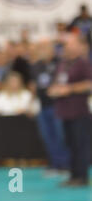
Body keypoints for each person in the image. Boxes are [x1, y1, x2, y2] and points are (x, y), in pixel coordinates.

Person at [48, 33, 92, 187]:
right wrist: (54, 89)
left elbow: (89, 84)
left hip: (79, 111)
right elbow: (56, 81)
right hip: (64, 111)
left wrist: (70, 89)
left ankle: (81, 176)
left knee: (80, 145)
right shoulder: (63, 63)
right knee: (70, 144)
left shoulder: (83, 63)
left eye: (70, 44)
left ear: (79, 46)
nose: (66, 47)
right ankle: (73, 175)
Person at [30, 39, 70, 175]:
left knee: (60, 136)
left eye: (45, 47)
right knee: (48, 136)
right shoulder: (36, 65)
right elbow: (35, 86)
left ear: (52, 49)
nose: (42, 50)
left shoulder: (60, 63)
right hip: (43, 105)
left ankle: (65, 165)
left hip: (58, 105)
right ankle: (54, 164)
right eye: (40, 47)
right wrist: (31, 103)